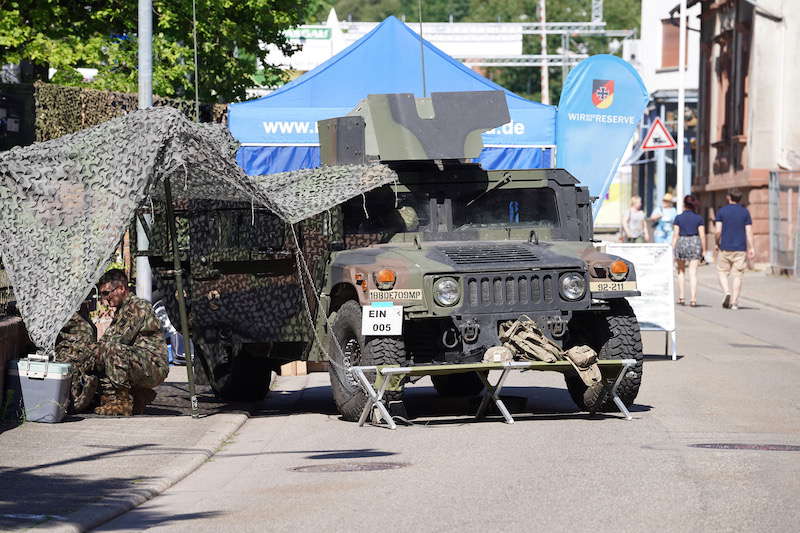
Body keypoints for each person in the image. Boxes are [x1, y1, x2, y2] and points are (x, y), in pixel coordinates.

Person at [93, 269, 169, 416]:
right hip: (139, 363)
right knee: (104, 354)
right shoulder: (122, 309)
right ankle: (137, 395)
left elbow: (116, 340)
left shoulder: (137, 306)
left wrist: (93, 351)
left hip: (153, 365)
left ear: (121, 288)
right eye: (102, 294)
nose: (104, 299)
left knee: (112, 350)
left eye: (106, 293)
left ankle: (123, 403)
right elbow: (105, 340)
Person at [715, 189, 754, 310]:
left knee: (722, 271)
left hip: (725, 247)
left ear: (728, 197)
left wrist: (717, 243)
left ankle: (727, 292)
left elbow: (718, 231)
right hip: (741, 249)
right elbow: (749, 231)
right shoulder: (745, 212)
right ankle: (734, 303)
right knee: (738, 275)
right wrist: (751, 247)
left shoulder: (722, 211)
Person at [671, 195, 705, 307]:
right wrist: (703, 250)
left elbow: (675, 235)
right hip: (695, 242)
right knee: (693, 272)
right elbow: (702, 236)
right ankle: (693, 299)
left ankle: (681, 297)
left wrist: (672, 249)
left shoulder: (678, 218)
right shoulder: (699, 218)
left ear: (684, 205)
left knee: (681, 271)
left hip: (682, 242)